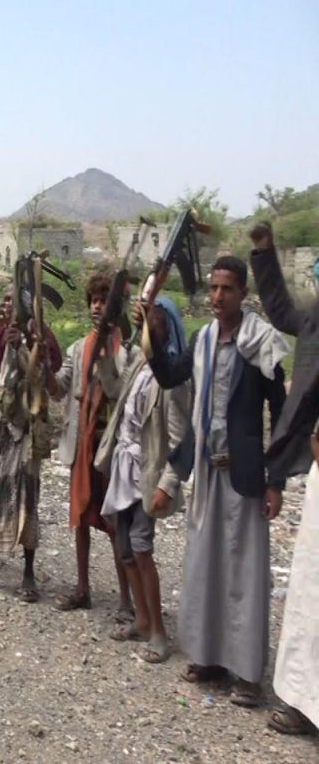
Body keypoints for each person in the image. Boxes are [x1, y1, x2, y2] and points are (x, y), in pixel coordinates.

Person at [146, 255, 287, 708]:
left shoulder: (261, 342)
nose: (218, 296)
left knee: (245, 574)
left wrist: (276, 480)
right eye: (213, 288)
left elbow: (280, 413)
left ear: (243, 293)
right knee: (206, 566)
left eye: (227, 288)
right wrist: (154, 335)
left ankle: (247, 674)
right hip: (207, 473)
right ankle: (208, 658)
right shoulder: (203, 339)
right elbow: (170, 376)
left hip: (244, 475)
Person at [93, 297, 190, 663]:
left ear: (169, 327)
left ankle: (159, 633)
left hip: (148, 472)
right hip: (124, 467)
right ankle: (143, 620)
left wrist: (168, 483)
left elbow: (179, 438)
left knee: (141, 547)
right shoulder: (137, 362)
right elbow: (114, 390)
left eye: (156, 319)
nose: (149, 323)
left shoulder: (174, 379)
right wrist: (105, 350)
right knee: (124, 548)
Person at [249, 224, 319, 734]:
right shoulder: (316, 319)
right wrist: (264, 253)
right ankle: (303, 700)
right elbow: (283, 311)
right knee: (312, 588)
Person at [0, 294, 61, 600]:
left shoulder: (39, 334)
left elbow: (48, 372)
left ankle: (28, 574)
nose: (9, 306)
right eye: (5, 301)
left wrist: (25, 345)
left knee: (27, 499)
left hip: (26, 429)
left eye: (14, 301)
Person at [46, 272, 131, 615]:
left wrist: (105, 358)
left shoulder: (127, 351)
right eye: (94, 301)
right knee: (80, 517)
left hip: (112, 449)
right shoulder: (78, 348)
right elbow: (58, 389)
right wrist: (41, 367)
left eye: (103, 301)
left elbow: (118, 392)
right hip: (82, 445)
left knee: (116, 524)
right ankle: (83, 589)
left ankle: (126, 600)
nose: (97, 307)